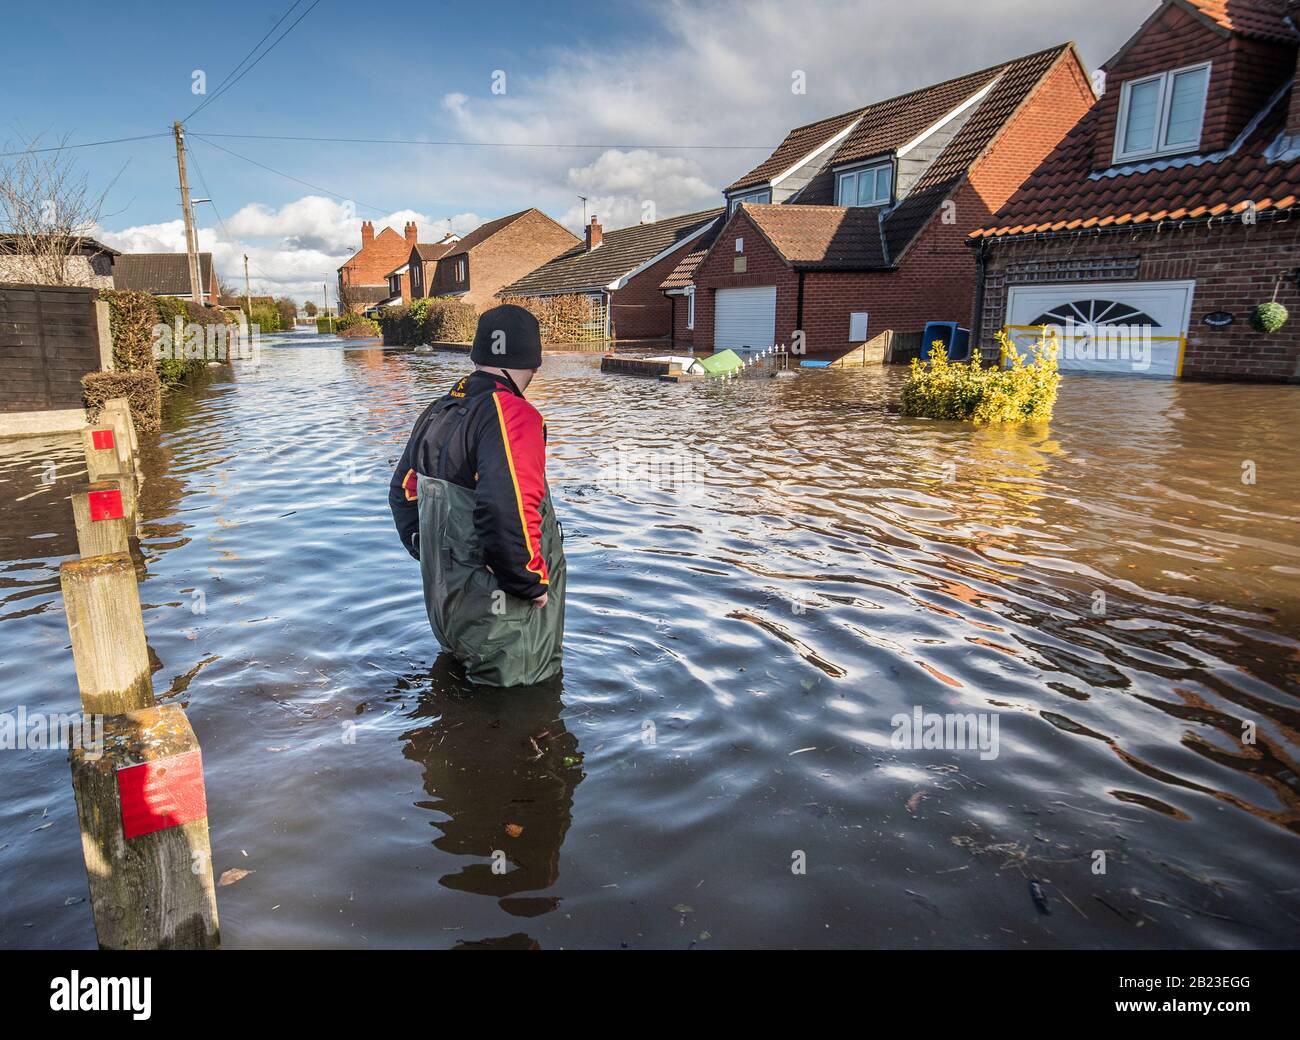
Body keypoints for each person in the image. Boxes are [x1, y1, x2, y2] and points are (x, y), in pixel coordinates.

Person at [389, 305, 565, 686]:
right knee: (522, 716)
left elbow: (402, 494)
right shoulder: (514, 413)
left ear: (477, 354)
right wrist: (528, 583)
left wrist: (436, 557)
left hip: (448, 606)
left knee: (457, 698)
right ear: (534, 361)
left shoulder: (439, 410)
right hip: (502, 621)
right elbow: (507, 506)